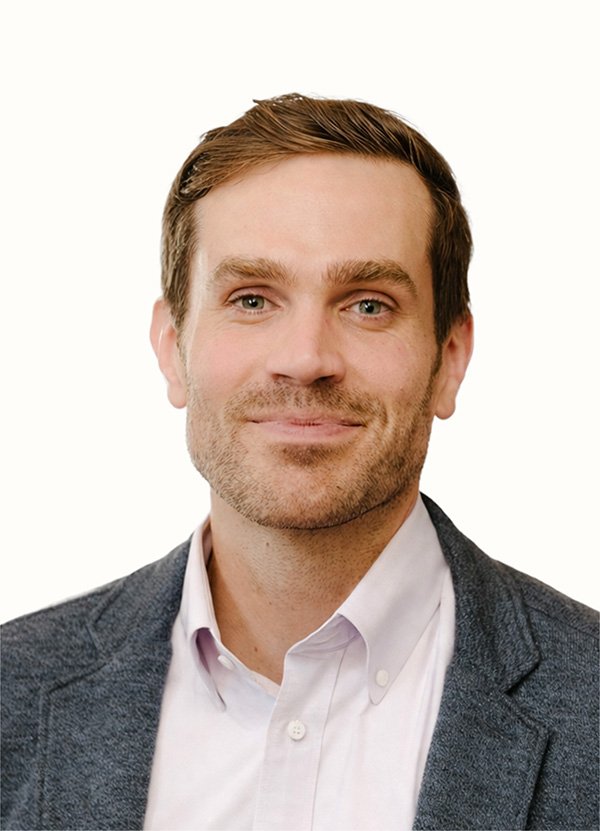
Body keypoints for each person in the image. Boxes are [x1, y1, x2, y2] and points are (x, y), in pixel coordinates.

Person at [1, 94, 598, 831]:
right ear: (172, 348)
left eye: (368, 305)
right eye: (252, 299)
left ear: (449, 358)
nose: (306, 358)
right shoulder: (11, 694)